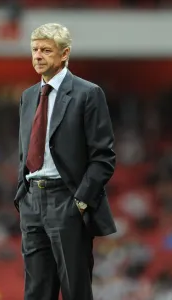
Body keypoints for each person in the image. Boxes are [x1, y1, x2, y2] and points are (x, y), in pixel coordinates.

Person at [14, 23, 117, 300]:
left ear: (64, 54)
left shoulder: (88, 93)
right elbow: (25, 152)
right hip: (32, 201)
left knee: (75, 290)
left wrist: (81, 201)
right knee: (36, 291)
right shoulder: (27, 97)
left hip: (67, 199)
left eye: (46, 50)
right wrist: (22, 195)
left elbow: (104, 157)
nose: (38, 55)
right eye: (35, 49)